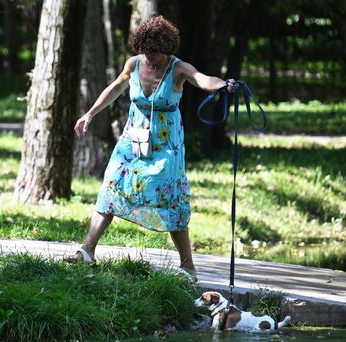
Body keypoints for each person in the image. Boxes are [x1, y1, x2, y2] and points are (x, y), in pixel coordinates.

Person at [65, 16, 235, 280]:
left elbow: (202, 80)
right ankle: (87, 251)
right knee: (112, 185)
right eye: (145, 50)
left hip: (167, 143)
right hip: (134, 137)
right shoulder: (133, 64)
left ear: (167, 48)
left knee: (169, 197)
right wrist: (89, 114)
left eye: (155, 52)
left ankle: (187, 266)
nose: (150, 57)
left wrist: (223, 85)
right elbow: (115, 88)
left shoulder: (178, 68)